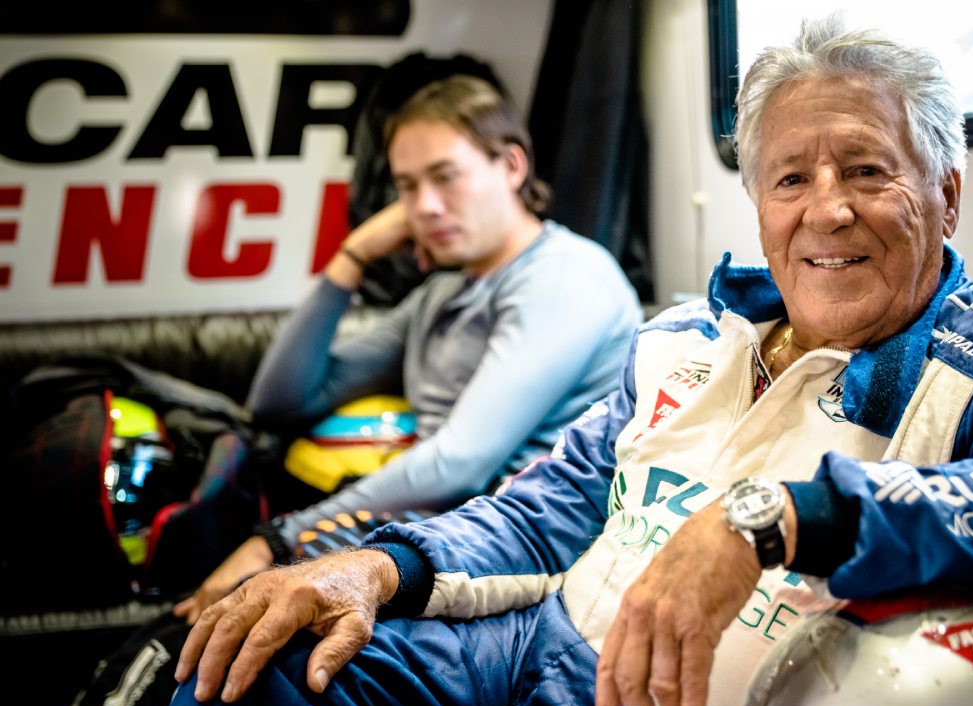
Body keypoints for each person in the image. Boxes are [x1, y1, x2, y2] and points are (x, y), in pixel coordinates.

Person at [141, 15, 973, 706]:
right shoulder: (683, 335)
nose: (827, 209)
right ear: (758, 204)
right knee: (242, 675)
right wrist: (368, 566)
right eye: (791, 178)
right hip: (526, 638)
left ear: (945, 192)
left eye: (868, 170)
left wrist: (774, 516)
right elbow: (542, 510)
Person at [174, 75, 642, 623]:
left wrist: (281, 539)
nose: (425, 206)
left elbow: (458, 464)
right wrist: (353, 256)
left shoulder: (566, 278)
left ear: (512, 167)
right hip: (433, 530)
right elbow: (282, 399)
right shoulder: (442, 294)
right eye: (407, 187)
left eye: (445, 177)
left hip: (513, 546)